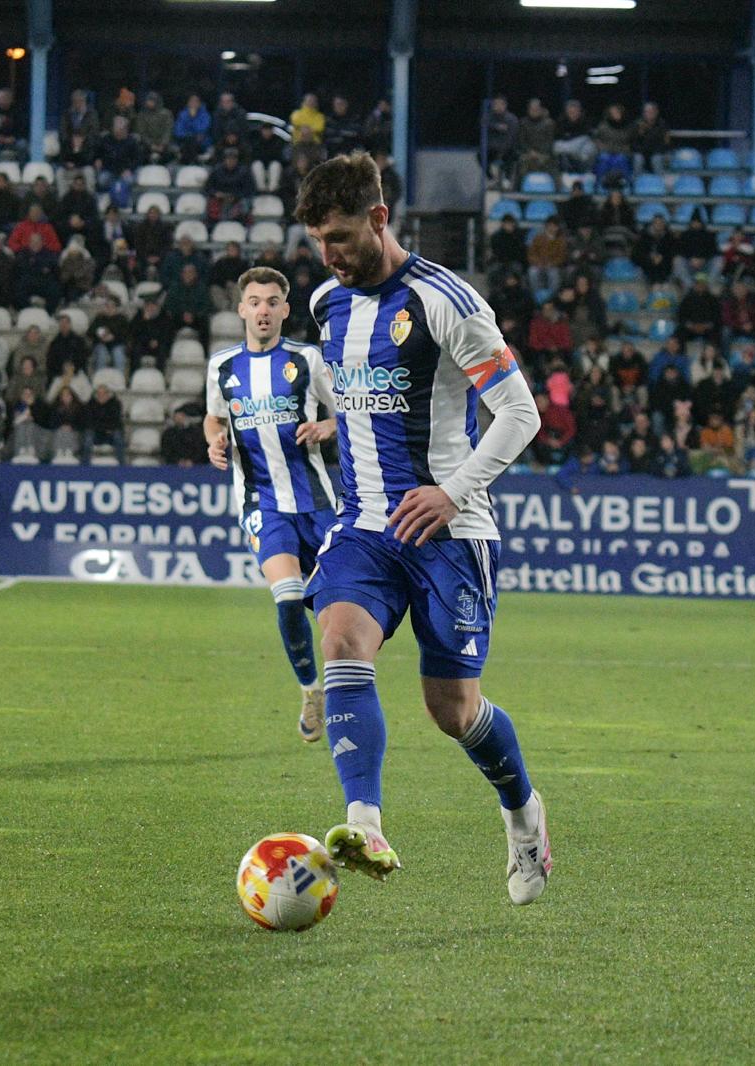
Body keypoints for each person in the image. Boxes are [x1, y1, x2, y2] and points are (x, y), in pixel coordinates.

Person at [292, 152, 549, 903]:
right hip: (366, 526)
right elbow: (367, 399)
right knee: (340, 640)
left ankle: (524, 813)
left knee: (453, 710)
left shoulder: (448, 302)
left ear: (379, 218)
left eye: (339, 236)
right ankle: (364, 824)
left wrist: (452, 490)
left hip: (451, 533)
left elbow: (520, 414)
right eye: (316, 241)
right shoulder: (325, 304)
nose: (329, 255)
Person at [203, 267, 339, 739]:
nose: (263, 309)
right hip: (263, 502)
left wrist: (327, 427)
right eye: (255, 301)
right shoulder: (222, 366)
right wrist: (214, 441)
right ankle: (310, 690)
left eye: (272, 301)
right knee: (286, 596)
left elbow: (347, 411)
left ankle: (344, 682)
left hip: (319, 502)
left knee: (337, 613)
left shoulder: (306, 359)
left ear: (285, 310)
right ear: (241, 309)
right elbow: (213, 418)